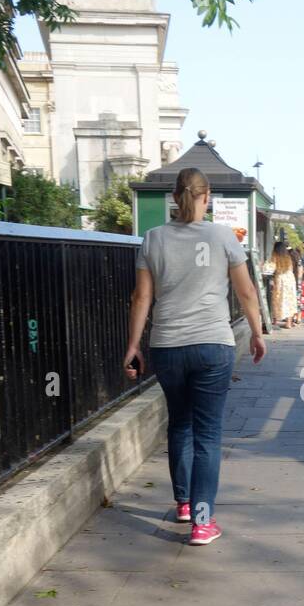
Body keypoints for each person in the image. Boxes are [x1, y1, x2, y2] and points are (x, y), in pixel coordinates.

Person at [124, 167, 266, 547]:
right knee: (207, 434)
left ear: (174, 197)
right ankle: (203, 522)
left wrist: (133, 345)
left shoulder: (153, 238)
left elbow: (142, 298)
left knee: (179, 424)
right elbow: (247, 291)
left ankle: (185, 503)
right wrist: (256, 332)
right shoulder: (223, 236)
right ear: (208, 198)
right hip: (212, 345)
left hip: (167, 346)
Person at [269, 242, 298, 328]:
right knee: (290, 300)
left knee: (278, 299)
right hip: (290, 279)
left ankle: (274, 321)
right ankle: (288, 323)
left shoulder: (275, 257)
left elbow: (270, 268)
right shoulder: (288, 257)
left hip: (280, 279)